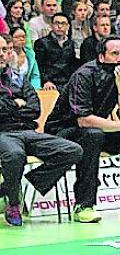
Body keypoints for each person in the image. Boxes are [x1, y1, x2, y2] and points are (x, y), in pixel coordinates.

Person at [44, 36, 120, 223]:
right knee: (94, 135)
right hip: (62, 130)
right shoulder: (84, 75)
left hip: (96, 129)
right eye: (114, 54)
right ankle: (83, 205)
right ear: (102, 57)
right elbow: (83, 120)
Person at [0, 34, 83, 227]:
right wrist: (16, 104)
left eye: (4, 50)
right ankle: (14, 202)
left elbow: (35, 108)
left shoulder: (18, 78)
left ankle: (15, 185)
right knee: (15, 155)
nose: (2, 54)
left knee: (73, 150)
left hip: (28, 131)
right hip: (3, 133)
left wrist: (11, 107)